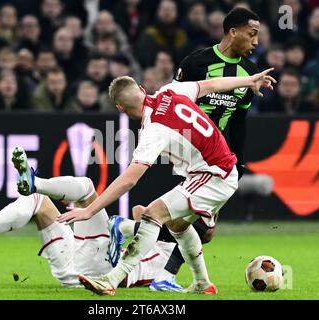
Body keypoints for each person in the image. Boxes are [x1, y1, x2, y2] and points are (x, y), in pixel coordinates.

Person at [57, 69, 275, 296]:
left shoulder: (153, 129)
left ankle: (111, 279)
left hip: (213, 175)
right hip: (217, 171)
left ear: (120, 108)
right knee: (178, 225)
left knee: (153, 214)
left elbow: (129, 180)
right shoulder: (171, 91)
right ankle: (202, 283)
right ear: (142, 90)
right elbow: (211, 85)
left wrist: (89, 211)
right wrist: (248, 80)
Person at [0, 147, 176, 289]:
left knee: (86, 187)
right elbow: (140, 213)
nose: (154, 208)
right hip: (76, 269)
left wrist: (122, 225)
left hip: (100, 270)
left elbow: (130, 221)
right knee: (36, 201)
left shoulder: (163, 240)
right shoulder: (160, 247)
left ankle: (38, 182)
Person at [151, 6, 264, 291]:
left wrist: (238, 162)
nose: (256, 42)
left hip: (218, 158)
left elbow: (239, 121)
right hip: (189, 153)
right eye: (252, 35)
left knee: (200, 227)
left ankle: (134, 234)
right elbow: (172, 102)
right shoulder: (196, 63)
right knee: (198, 223)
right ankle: (165, 275)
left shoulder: (249, 72)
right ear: (232, 31)